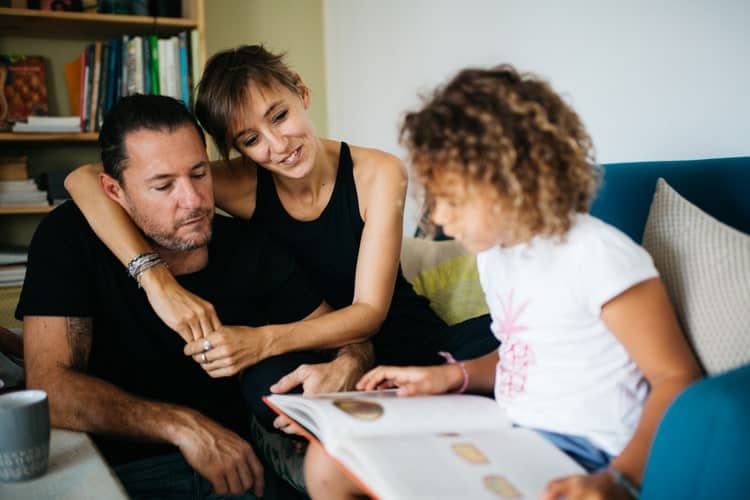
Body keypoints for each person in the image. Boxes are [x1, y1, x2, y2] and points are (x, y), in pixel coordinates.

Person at [302, 65, 703, 499]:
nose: (437, 217)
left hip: (589, 455)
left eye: (453, 201)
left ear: (515, 182)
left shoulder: (597, 255)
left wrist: (619, 479)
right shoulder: (497, 255)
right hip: (511, 430)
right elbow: (523, 358)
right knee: (328, 461)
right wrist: (448, 377)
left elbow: (676, 377)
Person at [64, 46, 497, 408]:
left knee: (513, 348)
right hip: (310, 349)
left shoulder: (378, 173)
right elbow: (83, 179)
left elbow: (369, 313)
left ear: (301, 91)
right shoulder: (234, 183)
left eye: (279, 116)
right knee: (265, 389)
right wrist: (156, 281)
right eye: (250, 140)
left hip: (405, 340)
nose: (277, 146)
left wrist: (260, 341)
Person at [17, 94, 346, 499]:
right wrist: (182, 427)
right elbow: (51, 389)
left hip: (246, 465)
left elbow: (341, 334)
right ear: (113, 190)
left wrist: (348, 363)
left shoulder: (246, 245)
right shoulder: (68, 238)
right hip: (121, 471)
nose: (192, 201)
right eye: (163, 185)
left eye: (199, 173)